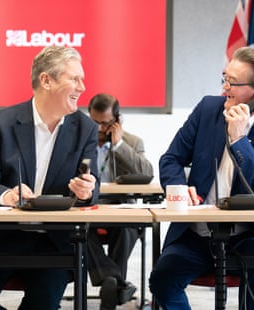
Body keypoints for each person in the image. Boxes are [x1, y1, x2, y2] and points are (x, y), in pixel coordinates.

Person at [149, 47, 254, 310]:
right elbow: (170, 159)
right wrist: (180, 188)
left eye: (233, 82)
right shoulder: (208, 109)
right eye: (224, 78)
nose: (225, 87)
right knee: (162, 280)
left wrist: (240, 139)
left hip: (250, 236)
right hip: (196, 234)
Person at [0, 46, 99, 310]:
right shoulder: (0, 123)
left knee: (42, 305)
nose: (83, 87)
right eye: (74, 79)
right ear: (46, 80)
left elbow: (93, 186)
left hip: (52, 240)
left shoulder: (86, 128)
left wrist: (86, 191)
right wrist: (7, 195)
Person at [87, 93, 153, 310]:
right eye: (93, 122)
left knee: (126, 228)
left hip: (119, 209)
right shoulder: (79, 140)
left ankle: (110, 283)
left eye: (104, 123)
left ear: (116, 120)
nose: (98, 129)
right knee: (78, 230)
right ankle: (116, 282)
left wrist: (118, 145)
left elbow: (147, 173)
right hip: (87, 209)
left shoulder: (132, 142)